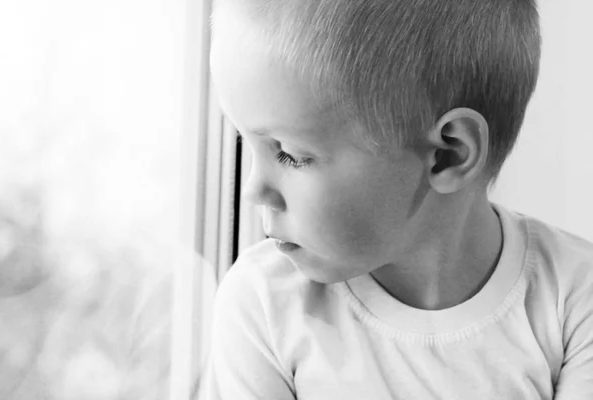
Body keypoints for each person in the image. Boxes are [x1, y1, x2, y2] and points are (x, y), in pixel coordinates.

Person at [202, 0, 593, 398]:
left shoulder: (575, 297)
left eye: (290, 154)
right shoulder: (263, 306)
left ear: (448, 154)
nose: (253, 190)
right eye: (244, 141)